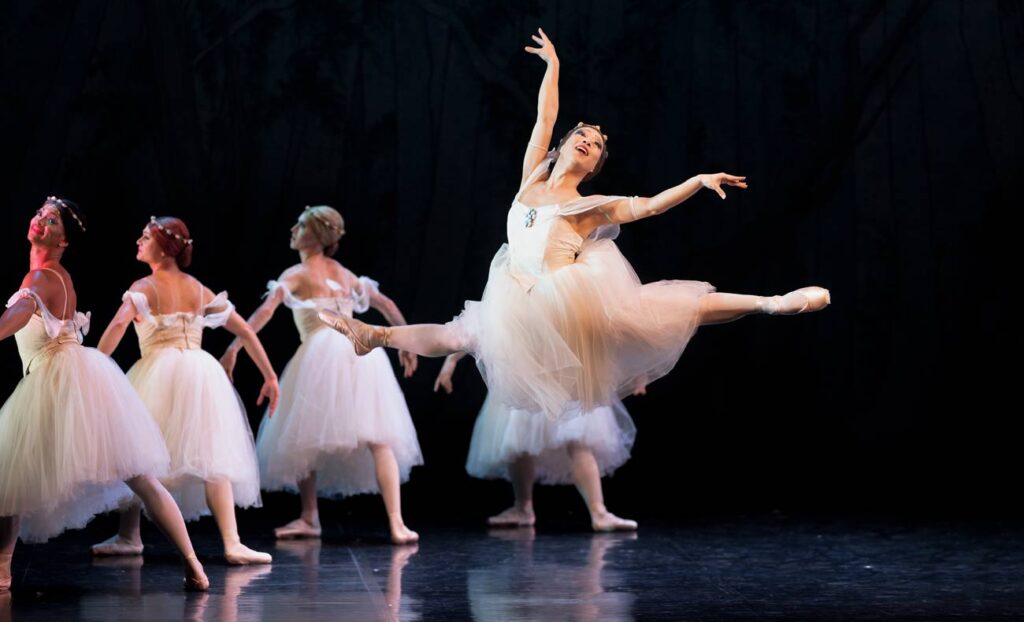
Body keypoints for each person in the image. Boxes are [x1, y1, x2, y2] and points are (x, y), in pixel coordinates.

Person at [321, 29, 829, 531]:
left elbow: (649, 206)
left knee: (678, 308)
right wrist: (553, 68)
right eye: (583, 136)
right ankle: (374, 335)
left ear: (594, 165)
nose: (590, 142)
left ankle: (771, 303)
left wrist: (697, 182)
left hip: (563, 302)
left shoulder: (587, 206)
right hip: (515, 296)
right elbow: (544, 118)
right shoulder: (532, 180)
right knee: (461, 334)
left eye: (598, 145)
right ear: (566, 145)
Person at [0, 198, 208, 592]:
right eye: (42, 213)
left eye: (53, 219)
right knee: (134, 477)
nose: (42, 220)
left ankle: (3, 570)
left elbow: (18, 316)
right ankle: (194, 564)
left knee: (11, 472)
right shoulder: (48, 275)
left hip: (59, 382)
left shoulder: (43, 277)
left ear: (64, 240)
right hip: (71, 378)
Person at [222, 206, 422, 544]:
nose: (293, 229)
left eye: (300, 225)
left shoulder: (297, 274)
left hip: (322, 356)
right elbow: (385, 305)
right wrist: (405, 342)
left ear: (316, 235)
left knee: (309, 432)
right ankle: (394, 522)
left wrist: (235, 347)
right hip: (362, 354)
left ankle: (313, 516)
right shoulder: (343, 273)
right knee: (377, 433)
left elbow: (265, 311)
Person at [91, 216, 279, 565]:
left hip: (157, 373)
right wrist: (269, 376)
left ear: (163, 247)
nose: (138, 241)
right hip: (200, 373)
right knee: (212, 452)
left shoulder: (144, 286)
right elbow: (246, 331)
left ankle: (130, 536)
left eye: (145, 236)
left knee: (138, 452)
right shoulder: (197, 287)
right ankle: (232, 541)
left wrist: (95, 366)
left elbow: (118, 323)